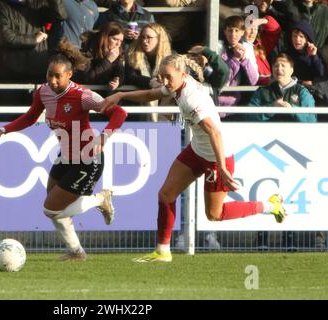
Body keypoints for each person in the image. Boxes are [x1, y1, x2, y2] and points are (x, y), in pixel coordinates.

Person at [103, 53, 287, 262]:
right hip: (197, 150)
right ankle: (162, 251)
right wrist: (120, 96)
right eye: (162, 76)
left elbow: (214, 132)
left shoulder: (191, 98)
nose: (164, 81)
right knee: (166, 195)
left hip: (217, 157)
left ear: (182, 74)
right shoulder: (179, 83)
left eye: (168, 77)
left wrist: (222, 168)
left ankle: (270, 206)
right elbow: (153, 93)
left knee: (214, 214)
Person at [0, 41, 128, 261]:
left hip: (89, 157)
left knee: (51, 209)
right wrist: (2, 130)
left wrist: (103, 137)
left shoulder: (82, 96)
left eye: (58, 76)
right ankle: (77, 252)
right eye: (50, 74)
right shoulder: (43, 92)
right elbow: (30, 117)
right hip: (67, 155)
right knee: (54, 203)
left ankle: (100, 199)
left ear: (69, 74)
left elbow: (120, 113)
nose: (52, 80)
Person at [246, 53, 317, 122]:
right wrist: (271, 108)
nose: (279, 69)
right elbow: (248, 116)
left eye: (283, 66)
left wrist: (292, 109)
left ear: (291, 70)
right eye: (276, 66)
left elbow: (311, 119)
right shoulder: (263, 91)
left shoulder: (302, 91)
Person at [125, 23, 172, 122]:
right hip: (137, 112)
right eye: (142, 37)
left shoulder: (171, 58)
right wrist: (151, 82)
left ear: (159, 39)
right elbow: (130, 76)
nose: (145, 41)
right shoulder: (132, 54)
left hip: (165, 110)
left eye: (149, 38)